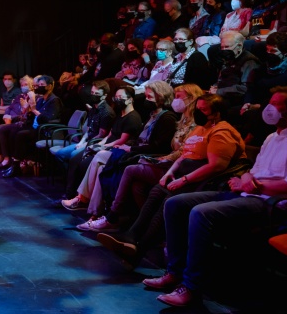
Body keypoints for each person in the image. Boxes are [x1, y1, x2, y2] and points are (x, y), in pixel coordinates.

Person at [143, 86, 287, 307]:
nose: (268, 108)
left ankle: (192, 287)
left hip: (271, 204)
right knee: (175, 203)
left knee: (200, 213)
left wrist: (254, 185)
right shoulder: (271, 137)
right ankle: (174, 272)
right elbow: (255, 169)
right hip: (247, 192)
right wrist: (246, 178)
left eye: (275, 105)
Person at [96, 93, 247, 265]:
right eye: (197, 109)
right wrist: (170, 173)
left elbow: (215, 166)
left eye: (203, 110)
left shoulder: (222, 131)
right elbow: (184, 154)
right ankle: (130, 237)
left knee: (169, 199)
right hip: (184, 172)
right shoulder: (199, 128)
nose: (198, 112)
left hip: (205, 180)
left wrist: (183, 180)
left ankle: (139, 249)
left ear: (217, 113)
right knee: (156, 190)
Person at [89, 84, 203, 232]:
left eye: (179, 97)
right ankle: (145, 226)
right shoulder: (181, 120)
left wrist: (140, 151)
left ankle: (111, 217)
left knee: (125, 168)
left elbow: (175, 150)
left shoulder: (180, 121)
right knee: (134, 184)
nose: (175, 100)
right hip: (164, 161)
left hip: (175, 167)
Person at [75, 80, 177, 230]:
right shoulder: (152, 115)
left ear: (161, 98)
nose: (146, 100)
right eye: (146, 97)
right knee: (102, 166)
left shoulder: (166, 117)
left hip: (146, 156)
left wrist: (130, 149)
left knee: (104, 161)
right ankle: (95, 210)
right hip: (136, 151)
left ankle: (101, 211)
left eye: (150, 98)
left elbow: (156, 145)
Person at [61, 85, 143, 211]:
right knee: (79, 160)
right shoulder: (120, 115)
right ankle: (80, 198)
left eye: (120, 97)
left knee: (85, 163)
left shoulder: (133, 118)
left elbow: (122, 140)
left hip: (116, 149)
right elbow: (110, 134)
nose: (117, 100)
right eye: (116, 97)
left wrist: (103, 146)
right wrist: (100, 144)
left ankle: (83, 199)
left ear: (130, 99)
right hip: (107, 146)